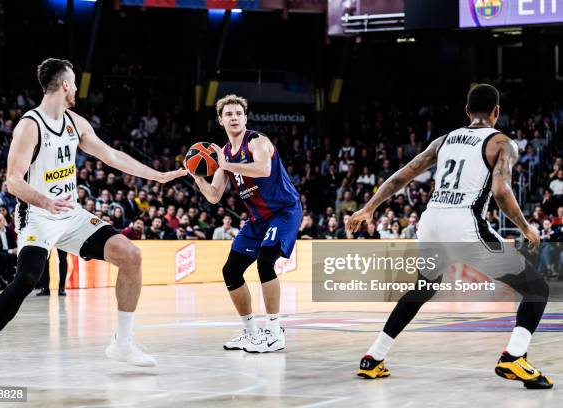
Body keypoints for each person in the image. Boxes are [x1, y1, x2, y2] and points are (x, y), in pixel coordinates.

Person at [0, 58, 186, 382]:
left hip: (70, 213)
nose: (77, 88)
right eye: (75, 82)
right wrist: (45, 201)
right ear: (65, 85)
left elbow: (111, 155)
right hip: (36, 213)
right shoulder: (30, 125)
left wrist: (158, 175)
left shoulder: (75, 122)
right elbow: (13, 181)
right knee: (26, 279)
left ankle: (123, 342)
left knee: (131, 255)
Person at [347, 84, 552, 389]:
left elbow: (405, 173)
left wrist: (368, 207)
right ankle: (514, 356)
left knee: (423, 288)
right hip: (464, 224)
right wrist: (525, 227)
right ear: (496, 112)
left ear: (467, 111)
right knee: (535, 287)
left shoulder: (443, 141)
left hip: (430, 222)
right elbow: (500, 190)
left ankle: (373, 357)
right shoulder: (502, 142)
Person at [189, 95, 301, 353]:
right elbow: (215, 196)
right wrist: (198, 178)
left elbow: (263, 169)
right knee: (231, 271)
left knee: (265, 260)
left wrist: (225, 164)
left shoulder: (257, 141)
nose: (234, 117)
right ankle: (251, 333)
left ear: (246, 117)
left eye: (238, 113)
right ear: (221, 120)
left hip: (283, 211)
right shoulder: (224, 154)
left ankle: (274, 332)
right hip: (257, 219)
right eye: (228, 114)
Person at [0, 214, 18, 283]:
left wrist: (15, 249)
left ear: (4, 221)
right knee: (8, 256)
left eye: (0, 220)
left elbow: (13, 244)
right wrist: (10, 251)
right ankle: (10, 279)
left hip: (9, 252)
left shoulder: (8, 230)